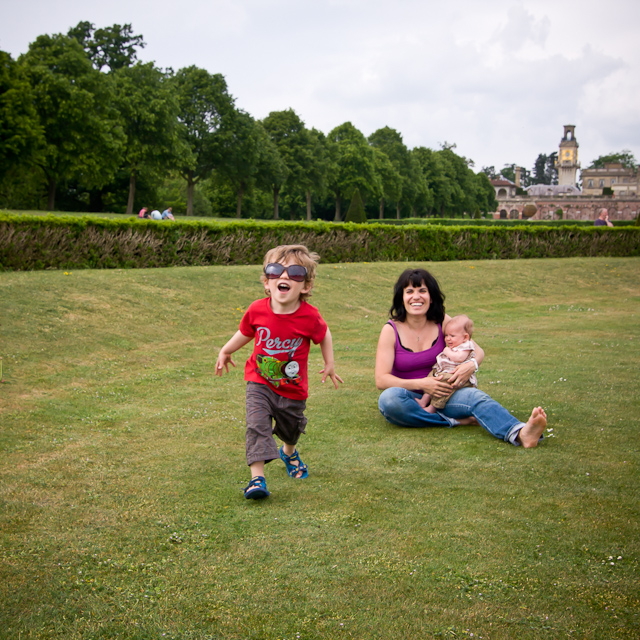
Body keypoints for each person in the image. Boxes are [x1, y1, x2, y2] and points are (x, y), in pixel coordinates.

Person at [215, 245, 343, 499]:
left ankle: (288, 451)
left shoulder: (309, 316)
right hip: (259, 381)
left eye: (295, 273)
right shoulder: (257, 310)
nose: (284, 277)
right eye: (276, 270)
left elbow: (324, 334)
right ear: (267, 282)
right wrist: (225, 350)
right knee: (257, 425)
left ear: (305, 286)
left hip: (292, 388)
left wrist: (330, 363)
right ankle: (257, 479)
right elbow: (245, 332)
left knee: (291, 428)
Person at [375, 268, 547, 448]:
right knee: (388, 400)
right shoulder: (390, 330)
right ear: (401, 298)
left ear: (431, 297)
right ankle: (458, 421)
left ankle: (520, 433)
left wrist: (471, 364)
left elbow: (477, 350)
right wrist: (423, 384)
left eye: (422, 291)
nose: (416, 296)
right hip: (408, 397)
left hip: (447, 393)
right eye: (409, 291)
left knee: (474, 397)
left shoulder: (441, 320)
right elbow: (381, 380)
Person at [417, 314, 477, 413]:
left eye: (452, 336)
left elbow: (459, 358)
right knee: (431, 377)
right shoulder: (455, 344)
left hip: (455, 375)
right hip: (443, 371)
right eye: (446, 335)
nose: (448, 339)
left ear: (465, 337)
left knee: (443, 384)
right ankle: (424, 400)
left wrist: (446, 351)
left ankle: (433, 407)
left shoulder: (466, 346)